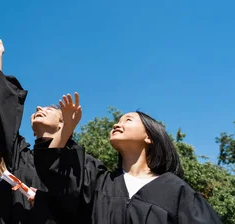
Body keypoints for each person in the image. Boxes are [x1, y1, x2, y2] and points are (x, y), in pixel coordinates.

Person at [34, 93, 223, 223]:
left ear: (149, 136)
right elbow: (53, 167)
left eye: (128, 120)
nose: (117, 124)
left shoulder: (176, 191)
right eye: (117, 120)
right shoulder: (99, 182)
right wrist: (66, 127)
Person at [0, 30, 67, 223]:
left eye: (49, 108)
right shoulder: (21, 156)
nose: (39, 107)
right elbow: (3, 111)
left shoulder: (76, 161)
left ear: (63, 123)